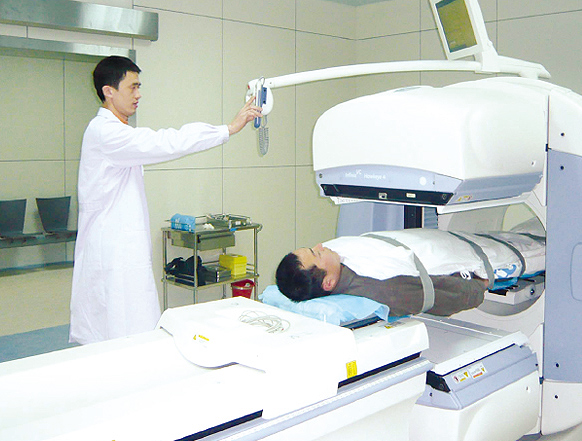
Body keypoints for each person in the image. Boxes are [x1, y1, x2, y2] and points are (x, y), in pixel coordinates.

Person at [69, 56, 262, 345]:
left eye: (139, 86)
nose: (139, 94)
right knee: (116, 323)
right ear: (109, 91)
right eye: (132, 87)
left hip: (121, 244)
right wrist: (228, 129)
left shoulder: (115, 132)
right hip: (111, 248)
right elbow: (167, 142)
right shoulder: (105, 133)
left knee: (126, 320)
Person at [275, 230, 492, 317]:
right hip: (470, 252)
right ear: (329, 283)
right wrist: (479, 286)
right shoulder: (383, 286)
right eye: (316, 253)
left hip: (432, 237)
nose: (320, 246)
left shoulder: (336, 256)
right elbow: (442, 295)